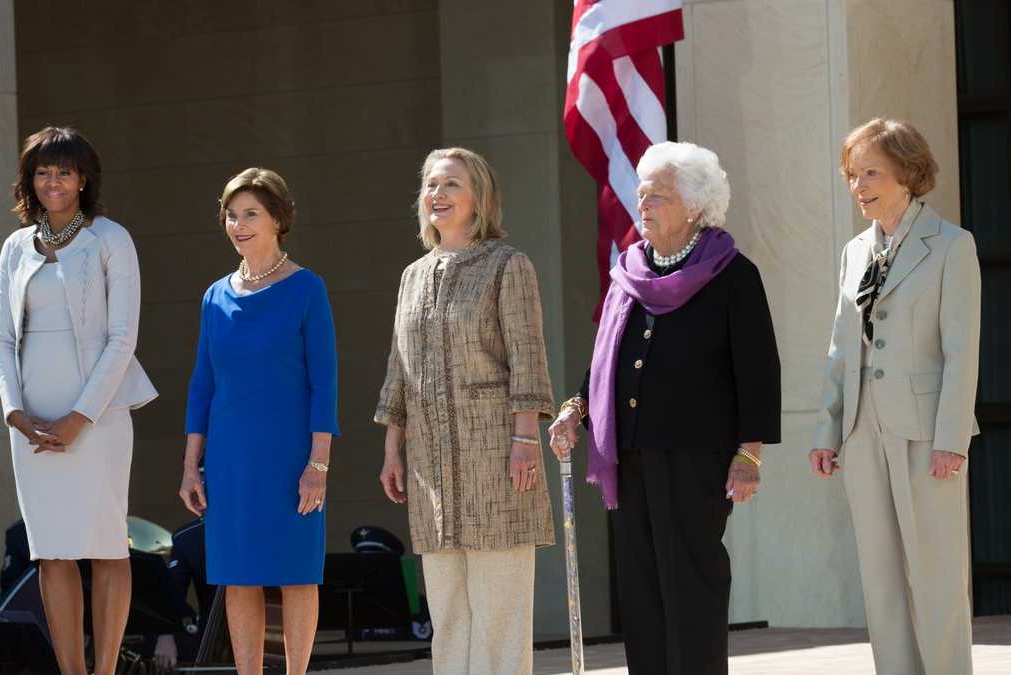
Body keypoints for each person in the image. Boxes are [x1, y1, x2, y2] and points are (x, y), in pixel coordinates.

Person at [548, 141, 781, 674]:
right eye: (642, 194)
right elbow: (605, 361)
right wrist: (576, 409)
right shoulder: (629, 272)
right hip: (630, 456)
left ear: (696, 206)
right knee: (641, 590)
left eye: (657, 196)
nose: (643, 205)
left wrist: (749, 455)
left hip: (697, 457)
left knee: (691, 585)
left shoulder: (732, 274)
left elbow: (759, 371)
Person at [375, 147, 555, 675]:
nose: (437, 194)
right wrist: (392, 448)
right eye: (430, 185)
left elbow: (528, 358)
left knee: (499, 612)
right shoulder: (412, 276)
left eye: (451, 184)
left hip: (497, 459)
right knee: (449, 613)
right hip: (430, 467)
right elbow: (399, 367)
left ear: (480, 198)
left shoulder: (508, 265)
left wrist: (526, 440)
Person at [810, 118, 980, 674]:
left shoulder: (952, 246)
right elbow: (841, 349)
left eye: (871, 174)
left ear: (907, 173)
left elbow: (961, 352)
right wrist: (828, 430)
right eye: (852, 175)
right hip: (862, 435)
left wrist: (952, 439)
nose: (858, 187)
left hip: (927, 434)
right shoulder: (854, 251)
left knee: (936, 577)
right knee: (881, 581)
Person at [0, 126, 158, 675]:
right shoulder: (15, 247)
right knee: (51, 549)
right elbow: (0, 337)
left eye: (64, 171)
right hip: (31, 423)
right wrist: (14, 412)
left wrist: (80, 417)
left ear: (84, 179)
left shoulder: (111, 238)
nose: (53, 182)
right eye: (42, 172)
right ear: (29, 180)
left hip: (98, 417)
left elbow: (122, 337)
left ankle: (104, 669)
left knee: (106, 545)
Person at [179, 167, 339, 675]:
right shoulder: (215, 296)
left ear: (277, 219)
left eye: (250, 214)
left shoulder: (307, 289)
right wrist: (191, 466)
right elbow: (202, 386)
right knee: (239, 576)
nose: (239, 225)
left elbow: (325, 385)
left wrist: (318, 465)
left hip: (292, 458)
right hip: (230, 461)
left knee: (297, 574)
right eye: (231, 215)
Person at [166, 517, 215, 664]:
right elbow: (174, 596)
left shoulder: (185, 536)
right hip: (211, 635)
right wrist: (166, 635)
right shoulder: (186, 537)